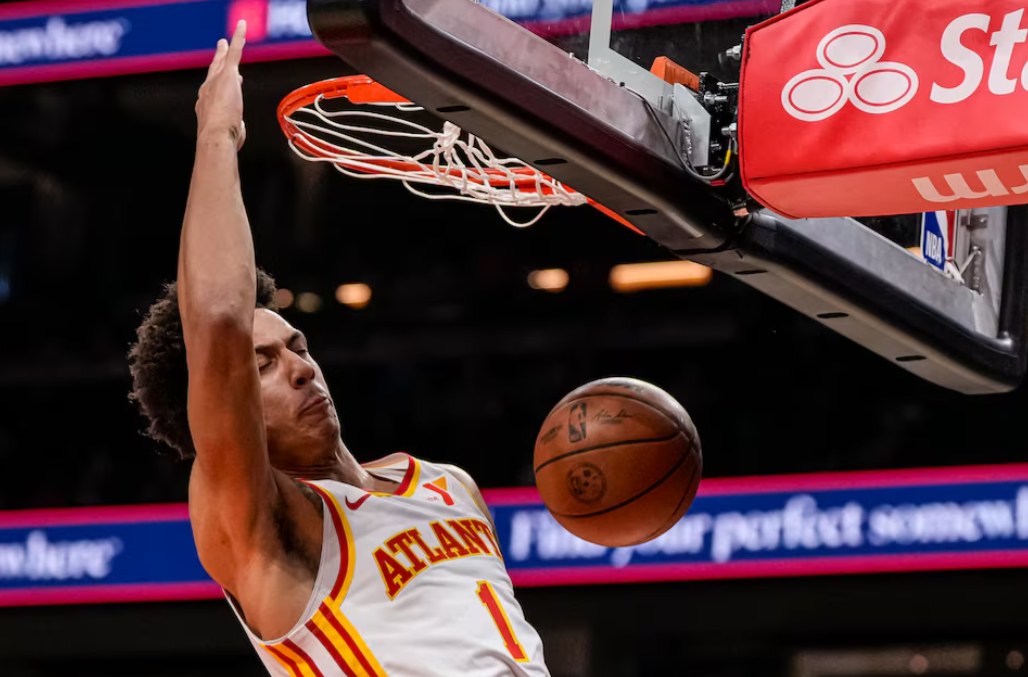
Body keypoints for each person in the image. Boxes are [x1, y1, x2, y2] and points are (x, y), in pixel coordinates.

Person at [127, 22, 549, 677]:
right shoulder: (263, 521)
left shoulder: (447, 483)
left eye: (295, 346)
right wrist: (218, 135)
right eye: (261, 364)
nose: (298, 368)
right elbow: (216, 319)